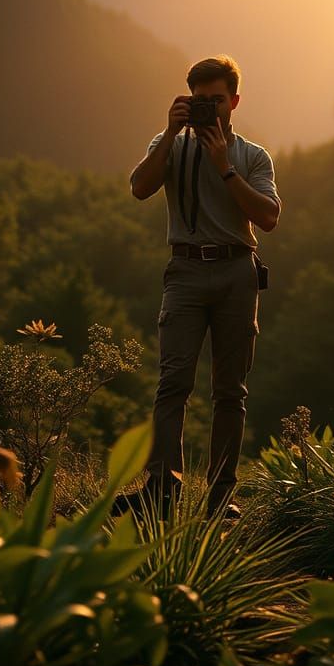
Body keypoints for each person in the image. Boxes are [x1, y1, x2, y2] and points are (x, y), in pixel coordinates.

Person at [112, 55, 281, 520]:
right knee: (172, 383)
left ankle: (221, 497)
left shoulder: (251, 155)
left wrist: (225, 167)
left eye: (218, 101)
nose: (211, 109)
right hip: (184, 270)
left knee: (230, 391)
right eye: (200, 101)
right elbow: (139, 187)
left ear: (235, 101)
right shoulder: (170, 145)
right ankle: (161, 488)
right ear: (187, 100)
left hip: (236, 271)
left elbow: (268, 216)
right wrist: (169, 134)